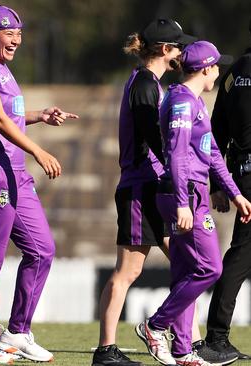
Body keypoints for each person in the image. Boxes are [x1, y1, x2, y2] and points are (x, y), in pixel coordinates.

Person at [0, 5, 78, 363]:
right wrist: (39, 151)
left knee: (42, 250)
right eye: (9, 32)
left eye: (20, 33)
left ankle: (17, 332)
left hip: (15, 175)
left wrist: (39, 116)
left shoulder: (4, 70)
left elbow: (8, 112)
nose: (17, 39)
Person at [92, 19, 205, 366]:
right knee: (128, 272)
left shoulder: (151, 84)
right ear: (165, 50)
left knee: (189, 265)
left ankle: (191, 341)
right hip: (141, 186)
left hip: (150, 185)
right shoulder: (144, 84)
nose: (183, 53)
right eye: (178, 46)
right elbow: (152, 140)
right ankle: (106, 349)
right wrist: (177, 170)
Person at [136, 40, 251, 366]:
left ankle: (183, 349)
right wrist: (184, 202)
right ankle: (156, 325)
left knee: (185, 271)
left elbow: (214, 154)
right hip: (185, 194)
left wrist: (236, 194)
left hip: (192, 192)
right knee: (209, 268)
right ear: (205, 69)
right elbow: (175, 154)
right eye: (216, 66)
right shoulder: (183, 103)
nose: (219, 72)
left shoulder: (194, 101)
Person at [204, 19, 251, 362]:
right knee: (242, 254)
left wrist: (218, 184)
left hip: (243, 173)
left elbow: (216, 132)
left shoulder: (235, 74)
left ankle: (217, 335)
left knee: (241, 253)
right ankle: (216, 337)